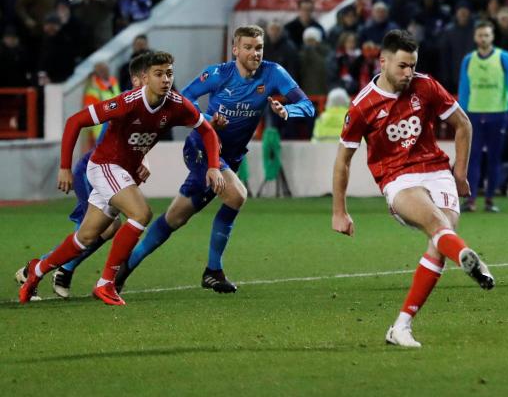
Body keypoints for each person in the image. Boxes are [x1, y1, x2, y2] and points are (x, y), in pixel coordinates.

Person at [18, 51, 225, 305]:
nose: (165, 79)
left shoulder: (177, 105)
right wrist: (64, 167)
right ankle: (106, 283)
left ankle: (36, 270)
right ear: (145, 78)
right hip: (104, 165)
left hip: (122, 172)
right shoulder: (127, 102)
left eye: (169, 73)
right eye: (158, 74)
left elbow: (208, 132)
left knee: (85, 238)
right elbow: (75, 121)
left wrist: (213, 166)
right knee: (141, 214)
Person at [119, 25, 316, 292]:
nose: (254, 53)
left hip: (230, 158)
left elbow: (308, 105)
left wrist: (288, 110)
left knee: (175, 218)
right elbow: (180, 99)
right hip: (200, 148)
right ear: (235, 49)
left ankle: (122, 268)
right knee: (237, 195)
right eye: (247, 47)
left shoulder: (273, 73)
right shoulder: (218, 74)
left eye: (258, 47)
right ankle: (213, 270)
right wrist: (207, 120)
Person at [332, 29, 495, 348]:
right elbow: (343, 161)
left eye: (412, 66)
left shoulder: (426, 85)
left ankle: (401, 326)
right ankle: (468, 256)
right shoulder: (363, 105)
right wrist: (340, 211)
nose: (408, 73)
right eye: (402, 66)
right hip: (398, 178)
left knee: (441, 239)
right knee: (440, 227)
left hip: (437, 171)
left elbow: (463, 124)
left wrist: (459, 173)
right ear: (383, 61)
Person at [15, 66, 148, 299]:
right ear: (136, 79)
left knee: (98, 230)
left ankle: (45, 269)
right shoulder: (123, 103)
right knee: (100, 229)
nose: (159, 80)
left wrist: (139, 161)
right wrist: (65, 166)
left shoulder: (153, 106)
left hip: (110, 170)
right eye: (150, 75)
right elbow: (106, 138)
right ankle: (58, 270)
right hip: (92, 169)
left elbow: (134, 143)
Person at [458, 20, 508, 212]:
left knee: (494, 159)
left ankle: (490, 199)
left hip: (498, 114)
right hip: (474, 115)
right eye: (480, 35)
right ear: (475, 37)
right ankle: (471, 200)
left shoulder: (505, 58)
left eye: (486, 35)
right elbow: (464, 87)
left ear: (492, 37)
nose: (483, 38)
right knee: (472, 158)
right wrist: (461, 113)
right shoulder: (468, 60)